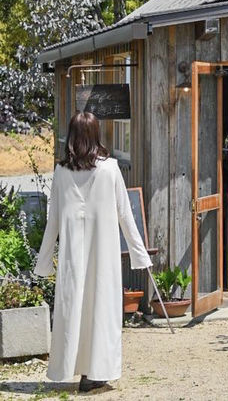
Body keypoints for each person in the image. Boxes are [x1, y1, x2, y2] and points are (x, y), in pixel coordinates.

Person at [34, 110, 152, 393]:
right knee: (101, 310)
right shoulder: (110, 168)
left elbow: (54, 221)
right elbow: (125, 215)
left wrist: (43, 264)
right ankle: (94, 373)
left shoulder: (62, 172)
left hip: (74, 256)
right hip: (104, 255)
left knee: (75, 310)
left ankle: (79, 369)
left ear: (73, 138)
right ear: (95, 135)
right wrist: (140, 254)